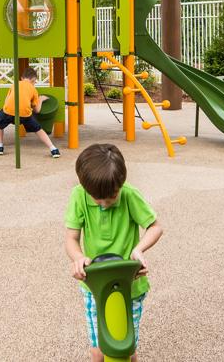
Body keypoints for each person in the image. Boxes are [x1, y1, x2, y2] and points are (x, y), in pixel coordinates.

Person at [64, 144, 163, 362]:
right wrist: (78, 258)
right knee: (98, 351)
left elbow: (155, 227)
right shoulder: (79, 196)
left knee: (126, 348)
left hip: (131, 286)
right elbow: (71, 238)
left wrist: (139, 249)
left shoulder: (129, 195)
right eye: (97, 198)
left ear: (121, 183)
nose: (104, 203)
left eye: (111, 196)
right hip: (95, 287)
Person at [0, 66, 59, 158]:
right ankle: (53, 149)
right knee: (38, 129)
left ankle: (0, 146)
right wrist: (40, 99)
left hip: (8, 112)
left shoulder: (14, 84)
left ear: (22, 78)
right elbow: (37, 110)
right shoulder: (33, 89)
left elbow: (6, 101)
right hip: (25, 115)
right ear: (34, 80)